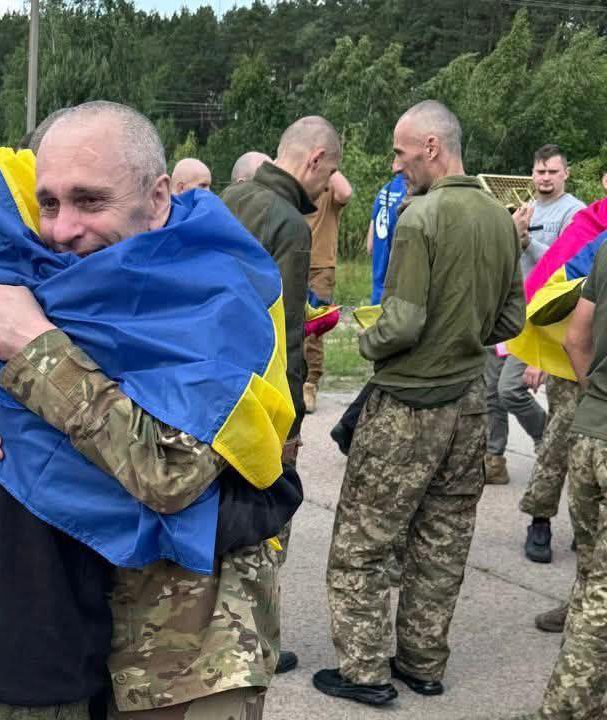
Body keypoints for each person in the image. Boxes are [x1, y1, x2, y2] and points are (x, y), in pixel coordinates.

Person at [0, 101, 297, 719]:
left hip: (181, 648)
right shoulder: (56, 268)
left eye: (90, 201)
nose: (63, 228)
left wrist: (35, 348)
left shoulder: (213, 292)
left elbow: (171, 473)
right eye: (49, 203)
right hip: (42, 623)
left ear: (158, 198)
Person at [314, 100, 524, 706]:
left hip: (407, 407)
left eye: (400, 151)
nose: (396, 164)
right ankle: (423, 662)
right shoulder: (500, 217)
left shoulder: (420, 216)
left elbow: (401, 323)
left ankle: (364, 671)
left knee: (362, 544)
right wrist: (463, 335)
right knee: (443, 540)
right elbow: (512, 318)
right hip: (469, 405)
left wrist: (367, 339)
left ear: (432, 146)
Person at [222, 116, 342, 674]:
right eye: (331, 171)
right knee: (266, 530)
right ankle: (257, 647)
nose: (328, 185)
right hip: (261, 399)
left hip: (215, 387)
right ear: (315, 159)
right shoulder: (291, 224)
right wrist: (289, 425)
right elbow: (286, 334)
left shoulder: (229, 198)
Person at [528, 241, 607, 719]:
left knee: (593, 573)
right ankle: (566, 709)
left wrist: (595, 395)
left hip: (590, 433)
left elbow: (575, 338)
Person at [513, 145, 586, 564]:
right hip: (570, 352)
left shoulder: (576, 213)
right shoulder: (593, 229)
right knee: (559, 441)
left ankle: (586, 525)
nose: (545, 177)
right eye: (540, 171)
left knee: (590, 449)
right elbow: (563, 283)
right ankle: (540, 519)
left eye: (551, 171)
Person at [303, 171, 352, 413]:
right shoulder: (298, 183)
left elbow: (346, 193)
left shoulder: (329, 187)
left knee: (315, 327)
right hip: (292, 259)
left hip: (321, 266)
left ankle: (310, 384)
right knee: (289, 325)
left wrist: (328, 167)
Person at [366, 172, 407, 305]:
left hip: (378, 295)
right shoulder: (413, 194)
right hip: (400, 297)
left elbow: (370, 247)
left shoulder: (384, 190)